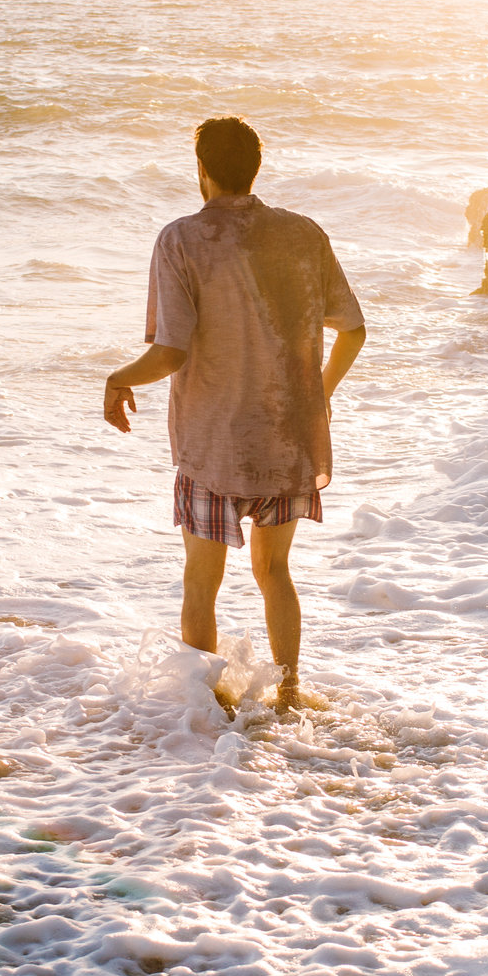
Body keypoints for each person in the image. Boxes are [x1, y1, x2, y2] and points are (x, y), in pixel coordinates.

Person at [103, 117, 366, 709]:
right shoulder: (304, 234)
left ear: (201, 170)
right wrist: (318, 395)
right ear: (255, 167)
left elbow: (171, 353)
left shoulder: (181, 240)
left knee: (202, 579)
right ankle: (291, 694)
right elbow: (353, 329)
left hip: (215, 443)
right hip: (289, 439)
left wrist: (119, 378)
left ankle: (207, 706)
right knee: (276, 573)